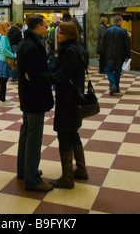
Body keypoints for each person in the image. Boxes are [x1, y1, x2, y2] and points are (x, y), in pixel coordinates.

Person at [17, 14, 54, 192]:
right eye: (45, 26)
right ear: (38, 26)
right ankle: (32, 179)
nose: (47, 29)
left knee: (26, 131)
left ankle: (24, 170)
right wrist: (51, 76)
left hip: (27, 95)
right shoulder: (33, 46)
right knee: (34, 136)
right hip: (35, 96)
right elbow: (36, 75)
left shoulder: (27, 43)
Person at [50, 21, 89, 189]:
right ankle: (81, 169)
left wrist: (44, 76)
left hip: (67, 98)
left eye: (59, 32)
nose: (57, 35)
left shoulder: (69, 51)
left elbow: (61, 75)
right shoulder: (79, 49)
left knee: (64, 134)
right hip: (76, 97)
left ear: (67, 34)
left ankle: (67, 178)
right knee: (73, 132)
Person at [101, 15, 131, 95]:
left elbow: (103, 43)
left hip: (109, 54)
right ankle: (116, 88)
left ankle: (112, 85)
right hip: (120, 55)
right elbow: (127, 44)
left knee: (109, 70)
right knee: (118, 71)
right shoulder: (123, 31)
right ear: (119, 21)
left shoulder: (107, 31)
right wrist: (128, 55)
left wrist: (104, 53)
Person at [0, 22, 17, 106]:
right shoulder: (3, 37)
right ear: (2, 28)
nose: (8, 28)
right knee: (3, 81)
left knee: (2, 81)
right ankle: (2, 100)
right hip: (3, 60)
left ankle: (2, 99)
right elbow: (4, 49)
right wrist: (13, 55)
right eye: (6, 27)